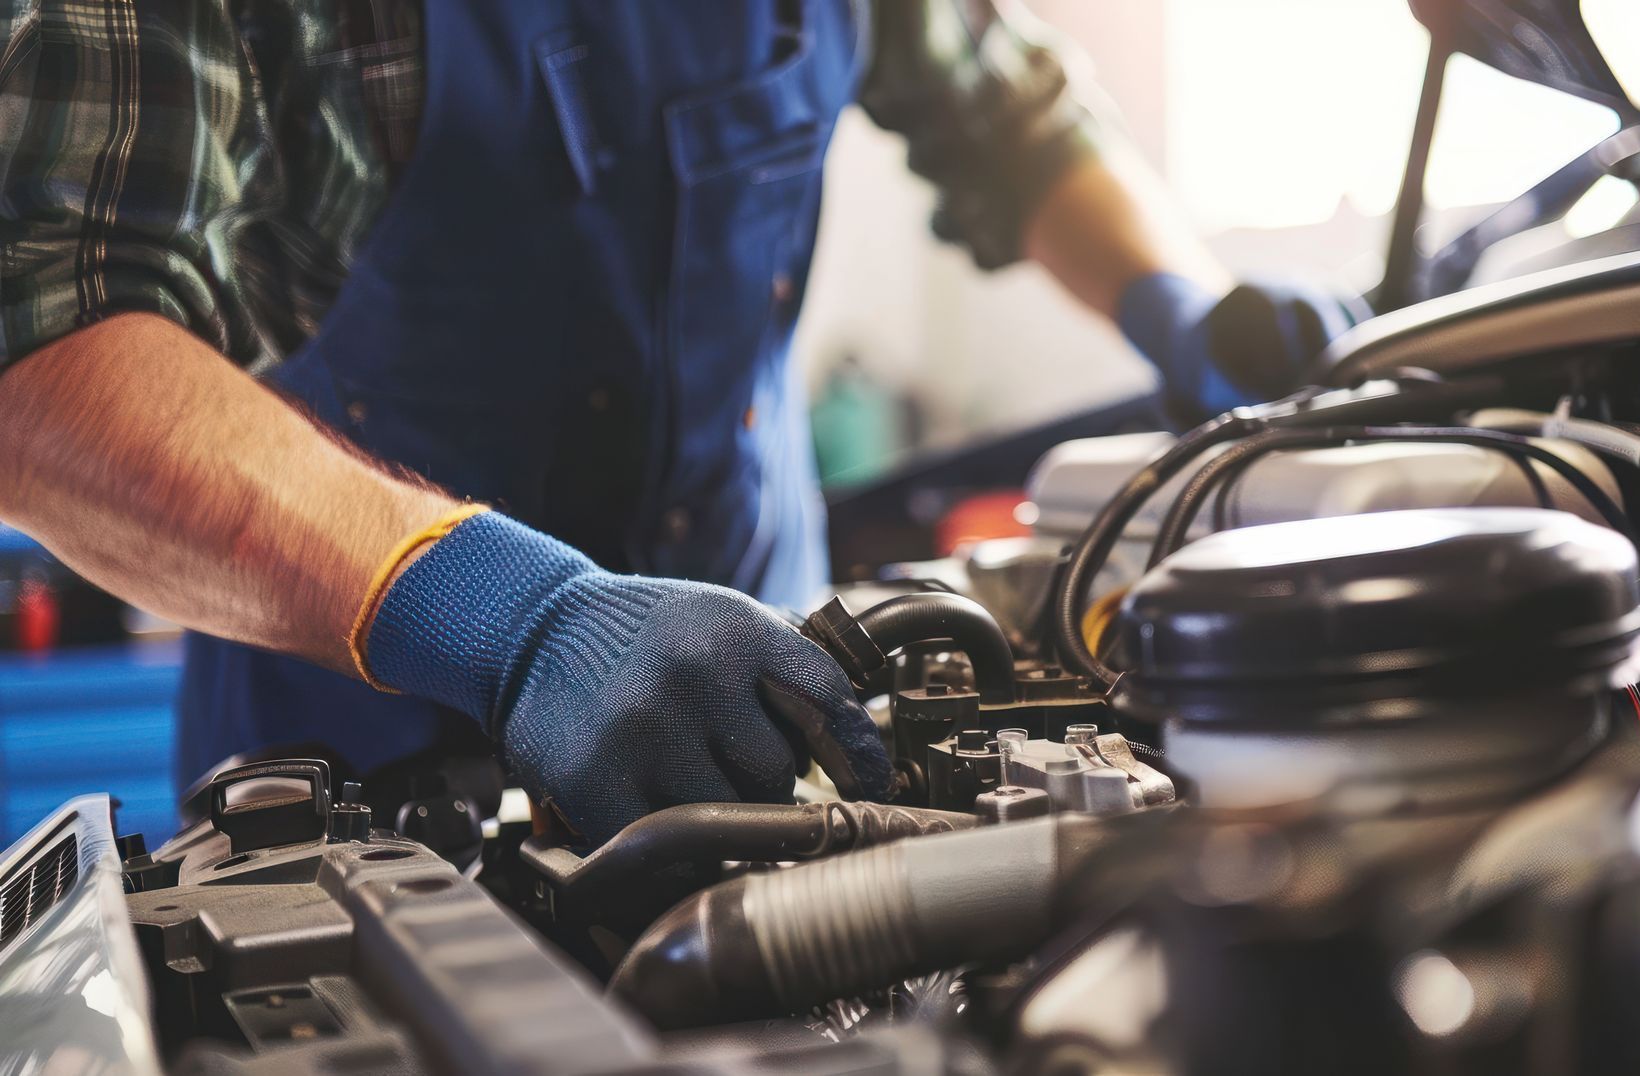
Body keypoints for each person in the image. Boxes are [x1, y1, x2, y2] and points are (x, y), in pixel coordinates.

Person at [0, 0, 1359, 845]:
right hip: (362, 751)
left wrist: (1181, 298)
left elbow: (1008, 112)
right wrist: (510, 618)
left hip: (768, 676)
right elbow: (39, 348)